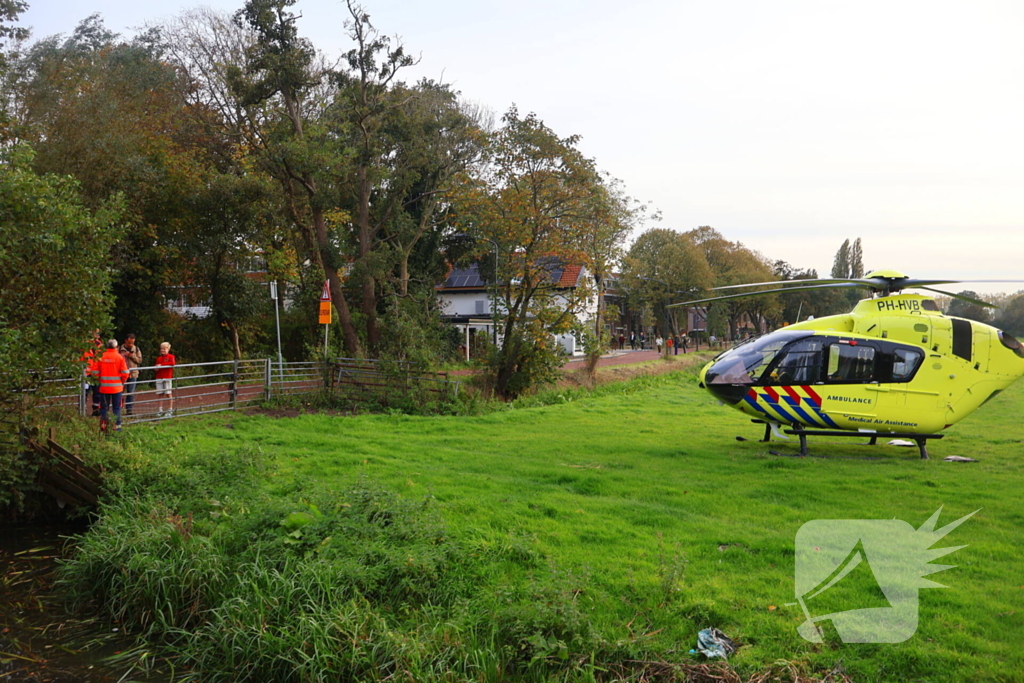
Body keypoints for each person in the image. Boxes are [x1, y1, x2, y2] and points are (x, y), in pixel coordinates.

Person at [91, 339, 129, 432]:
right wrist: (122, 381)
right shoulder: (120, 357)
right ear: (117, 347)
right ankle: (117, 428)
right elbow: (125, 373)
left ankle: (104, 427)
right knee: (117, 408)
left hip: (104, 387)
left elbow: (94, 372)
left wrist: (99, 379)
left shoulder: (101, 356)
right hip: (117, 388)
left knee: (104, 408)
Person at [119, 334, 142, 415]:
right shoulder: (119, 349)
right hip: (122, 374)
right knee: (120, 392)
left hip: (133, 374)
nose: (131, 344)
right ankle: (119, 408)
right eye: (129, 342)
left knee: (130, 392)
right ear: (125, 341)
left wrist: (132, 356)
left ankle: (129, 409)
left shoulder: (136, 349)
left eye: (132, 342)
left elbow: (139, 360)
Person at [154, 342, 176, 417]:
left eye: (164, 349)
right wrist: (156, 368)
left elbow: (172, 363)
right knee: (160, 394)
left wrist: (162, 365)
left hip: (167, 377)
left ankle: (170, 409)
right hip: (159, 377)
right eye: (161, 349)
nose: (162, 350)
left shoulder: (171, 356)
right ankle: (160, 409)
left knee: (168, 393)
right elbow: (157, 368)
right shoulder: (159, 358)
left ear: (168, 349)